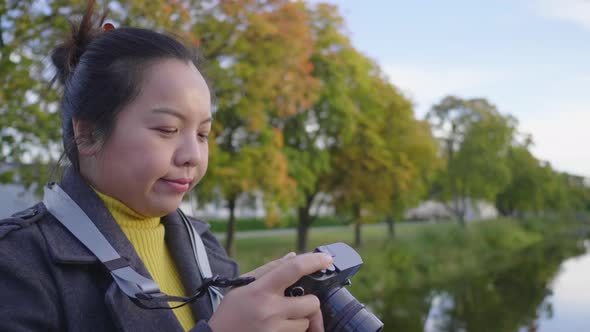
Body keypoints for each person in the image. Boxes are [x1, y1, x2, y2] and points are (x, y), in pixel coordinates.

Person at [0, 1, 333, 331]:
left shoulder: (204, 246)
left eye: (203, 133)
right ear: (86, 134)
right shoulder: (18, 261)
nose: (193, 155)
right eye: (167, 130)